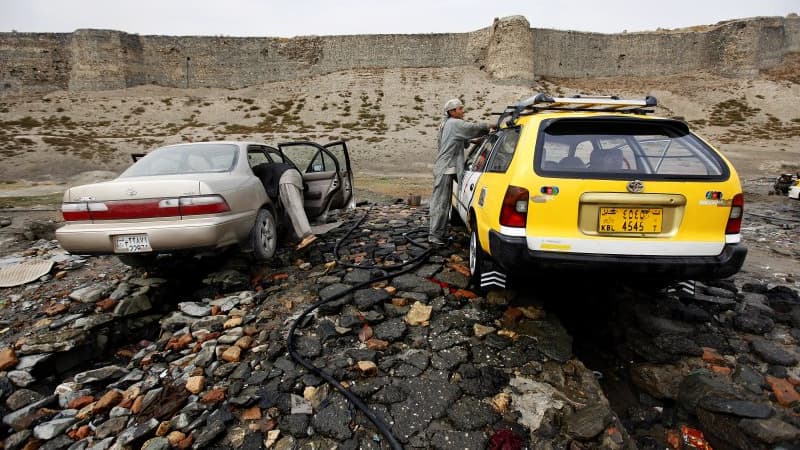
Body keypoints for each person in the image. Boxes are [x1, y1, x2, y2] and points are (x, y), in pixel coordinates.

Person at [429, 98, 493, 245]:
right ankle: (434, 235)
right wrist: (491, 124)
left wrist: (473, 142)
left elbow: (460, 139)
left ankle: (440, 232)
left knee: (444, 202)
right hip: (446, 168)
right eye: (460, 109)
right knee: (441, 203)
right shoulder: (454, 123)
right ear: (452, 112)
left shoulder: (447, 124)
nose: (463, 111)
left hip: (447, 167)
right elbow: (472, 128)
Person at [252, 162, 317, 250]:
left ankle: (308, 235)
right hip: (295, 175)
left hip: (286, 179)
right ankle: (294, 238)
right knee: (295, 210)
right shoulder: (270, 166)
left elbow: (267, 188)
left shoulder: (257, 172)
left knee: (295, 209)